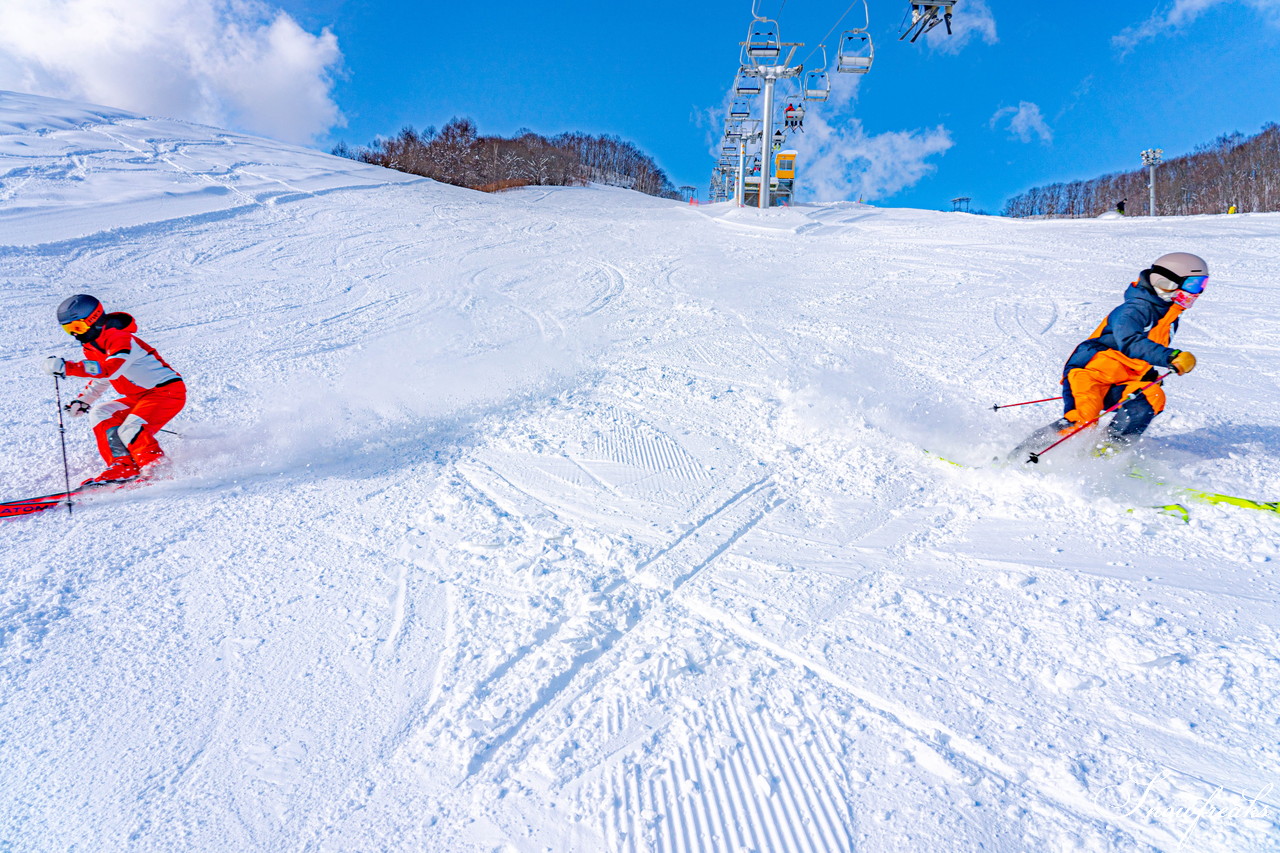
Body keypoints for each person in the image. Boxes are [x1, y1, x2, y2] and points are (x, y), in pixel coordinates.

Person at [1012, 252, 1207, 459]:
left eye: (1202, 285)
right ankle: (1017, 457)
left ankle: (1104, 455)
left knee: (1151, 396)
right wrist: (1171, 356)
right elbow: (1130, 343)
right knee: (1083, 420)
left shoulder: (1169, 317)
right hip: (1090, 375)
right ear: (1166, 282)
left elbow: (1139, 355)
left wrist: (1148, 375)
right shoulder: (1134, 310)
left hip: (1120, 380)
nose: (1198, 292)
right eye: (1194, 284)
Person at [43, 294, 185, 485]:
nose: (75, 334)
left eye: (77, 327)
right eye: (68, 329)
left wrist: (69, 367)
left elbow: (111, 368)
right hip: (140, 396)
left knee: (131, 427)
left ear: (93, 320)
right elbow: (105, 375)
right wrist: (84, 400)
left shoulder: (120, 339)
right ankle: (123, 465)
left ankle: (157, 468)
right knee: (101, 412)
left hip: (166, 393)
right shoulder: (91, 345)